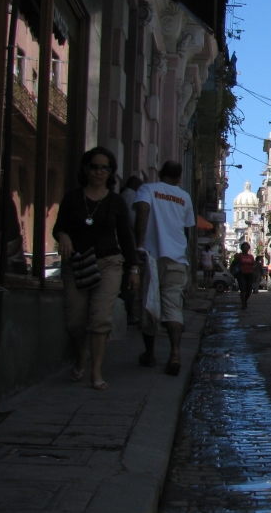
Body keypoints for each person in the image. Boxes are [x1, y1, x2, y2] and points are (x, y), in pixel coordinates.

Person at [53, 147, 139, 390]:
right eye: (94, 167)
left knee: (100, 319)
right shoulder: (72, 198)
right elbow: (59, 227)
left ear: (110, 173)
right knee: (75, 321)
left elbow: (126, 236)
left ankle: (96, 370)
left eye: (104, 168)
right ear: (86, 169)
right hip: (77, 264)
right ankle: (82, 354)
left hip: (109, 264)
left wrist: (133, 268)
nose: (99, 172)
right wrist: (63, 236)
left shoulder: (116, 202)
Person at [134, 160, 196, 376]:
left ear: (160, 173)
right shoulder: (185, 197)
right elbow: (187, 230)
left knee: (149, 305)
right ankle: (175, 354)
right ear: (179, 177)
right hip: (176, 259)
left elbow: (142, 212)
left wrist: (139, 244)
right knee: (173, 309)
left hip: (150, 257)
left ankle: (150, 354)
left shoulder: (147, 189)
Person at [120, 175, 144, 324]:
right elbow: (136, 222)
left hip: (125, 246)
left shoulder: (123, 196)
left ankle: (126, 312)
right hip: (131, 247)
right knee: (130, 283)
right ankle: (127, 313)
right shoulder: (132, 197)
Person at [230, 242, 256, 309]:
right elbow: (233, 264)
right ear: (242, 248)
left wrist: (254, 268)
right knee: (243, 289)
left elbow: (253, 264)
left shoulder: (251, 256)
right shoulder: (239, 256)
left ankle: (245, 300)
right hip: (241, 274)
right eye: (244, 248)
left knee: (249, 290)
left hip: (250, 274)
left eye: (247, 248)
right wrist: (236, 259)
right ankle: (243, 304)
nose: (246, 249)